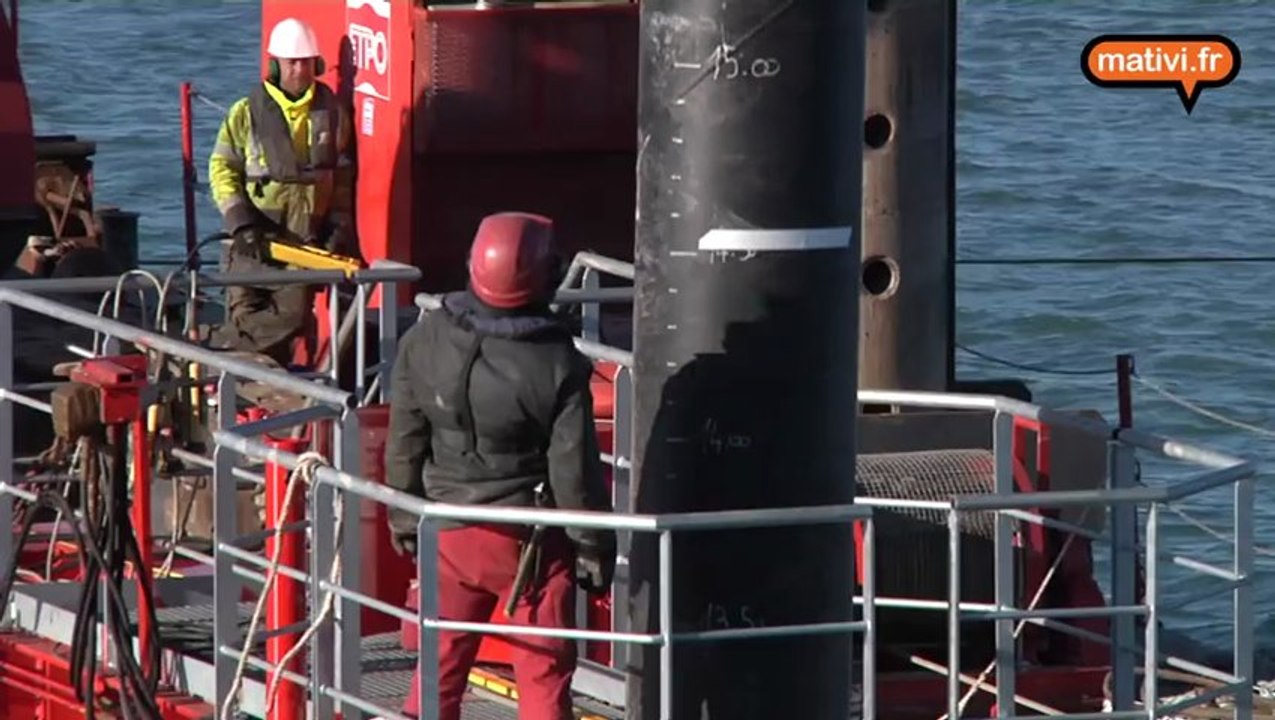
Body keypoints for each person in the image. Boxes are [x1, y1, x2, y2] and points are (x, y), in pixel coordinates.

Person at [384, 211, 616, 720]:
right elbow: (574, 471)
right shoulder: (557, 364)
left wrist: (402, 515)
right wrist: (594, 548)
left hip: (445, 530)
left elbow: (405, 439)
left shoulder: (423, 340)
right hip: (527, 543)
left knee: (438, 664)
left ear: (474, 264)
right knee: (543, 669)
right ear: (545, 276)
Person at [204, 17, 355, 367]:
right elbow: (221, 168)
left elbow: (343, 175)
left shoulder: (333, 115)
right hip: (248, 244)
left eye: (305, 62)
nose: (299, 70)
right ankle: (232, 381)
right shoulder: (245, 114)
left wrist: (338, 225)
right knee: (245, 317)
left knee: (292, 317)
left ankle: (212, 350)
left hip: (300, 248)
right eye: (292, 62)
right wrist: (240, 221)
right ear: (276, 64)